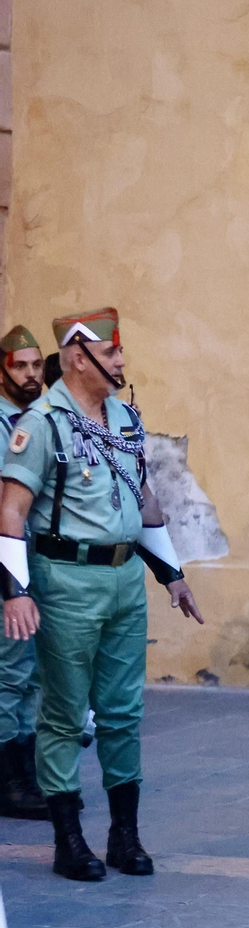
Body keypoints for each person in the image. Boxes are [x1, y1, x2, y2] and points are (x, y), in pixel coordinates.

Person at [0, 308, 204, 880]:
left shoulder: (125, 419)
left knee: (122, 712)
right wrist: (16, 592)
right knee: (64, 713)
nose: (120, 362)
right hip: (65, 581)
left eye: (118, 352)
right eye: (110, 353)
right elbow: (10, 513)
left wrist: (172, 575)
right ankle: (68, 840)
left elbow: (145, 503)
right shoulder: (41, 423)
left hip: (122, 580)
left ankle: (124, 836)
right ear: (77, 359)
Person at [0, 326, 46, 820]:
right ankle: (9, 779)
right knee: (10, 671)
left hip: (39, 561)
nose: (31, 375)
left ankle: (28, 772)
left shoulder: (41, 419)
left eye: (36, 365)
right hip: (7, 561)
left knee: (32, 671)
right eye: (20, 366)